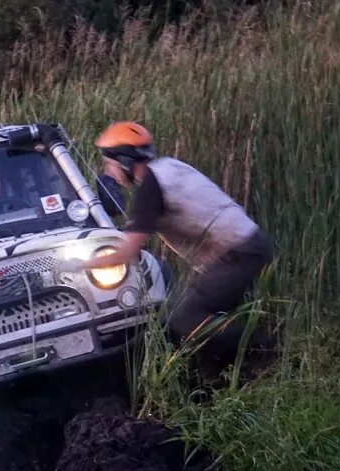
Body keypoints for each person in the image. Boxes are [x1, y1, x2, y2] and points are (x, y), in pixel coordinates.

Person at [77, 121, 273, 372]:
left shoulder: (150, 189)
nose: (108, 172)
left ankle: (265, 349)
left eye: (109, 164)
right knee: (194, 316)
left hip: (237, 253)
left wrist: (81, 264)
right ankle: (232, 372)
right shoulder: (170, 168)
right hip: (246, 246)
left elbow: (127, 253)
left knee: (186, 318)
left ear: (125, 161)